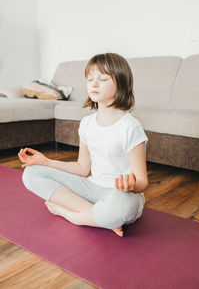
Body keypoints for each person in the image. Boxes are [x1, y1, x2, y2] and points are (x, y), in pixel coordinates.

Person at [18, 52, 148, 237]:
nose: (94, 84)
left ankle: (73, 216)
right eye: (90, 79)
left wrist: (131, 185)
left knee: (122, 205)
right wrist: (46, 162)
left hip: (120, 195)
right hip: (92, 188)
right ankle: (100, 217)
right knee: (31, 174)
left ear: (121, 83)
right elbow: (82, 168)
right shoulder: (87, 124)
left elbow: (142, 181)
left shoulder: (130, 127)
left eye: (102, 79)